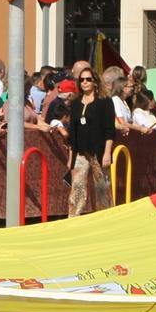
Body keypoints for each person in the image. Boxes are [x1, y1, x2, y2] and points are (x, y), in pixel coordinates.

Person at [65, 67, 117, 216]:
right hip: (80, 152)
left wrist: (107, 153)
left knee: (102, 187)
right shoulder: (75, 103)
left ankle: (105, 217)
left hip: (98, 151)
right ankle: (73, 218)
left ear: (95, 82)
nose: (85, 82)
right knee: (77, 186)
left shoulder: (104, 102)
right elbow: (72, 132)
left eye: (88, 79)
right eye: (82, 80)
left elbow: (109, 130)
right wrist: (71, 158)